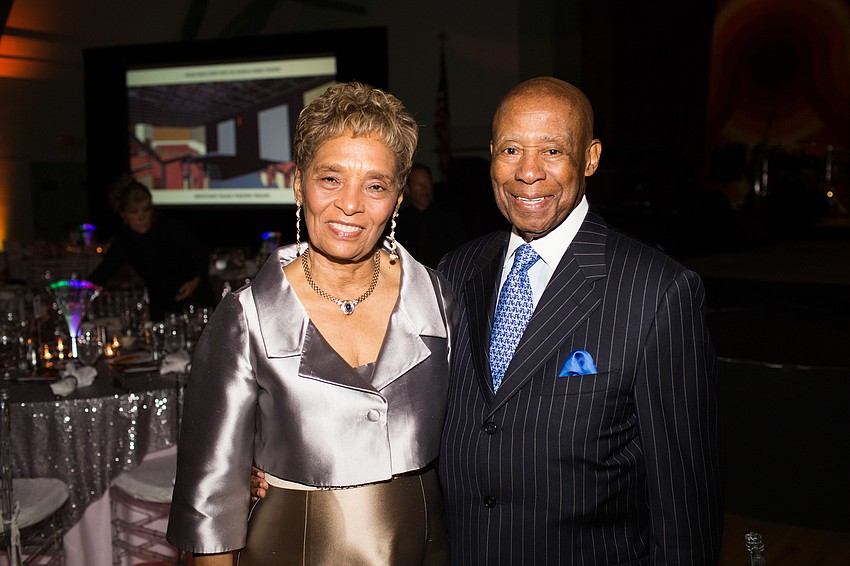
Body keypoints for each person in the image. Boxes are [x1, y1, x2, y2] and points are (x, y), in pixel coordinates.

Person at [166, 82, 456, 566]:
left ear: (398, 198)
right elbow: (210, 504)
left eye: (376, 185)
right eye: (331, 179)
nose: (350, 204)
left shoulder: (438, 299)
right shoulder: (248, 317)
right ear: (299, 184)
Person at [436, 77, 723, 564]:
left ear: (590, 158)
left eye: (551, 151)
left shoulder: (657, 291)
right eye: (510, 150)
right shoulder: (456, 270)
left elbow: (684, 499)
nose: (528, 172)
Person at [87, 177, 211, 319]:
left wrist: (195, 281)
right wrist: (77, 292)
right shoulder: (124, 242)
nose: (142, 217)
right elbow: (102, 273)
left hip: (196, 301)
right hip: (162, 308)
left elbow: (202, 252)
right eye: (134, 212)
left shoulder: (171, 228)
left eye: (146, 210)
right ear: (123, 215)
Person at [396, 163, 467, 268]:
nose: (425, 189)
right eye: (419, 185)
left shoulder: (449, 218)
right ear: (407, 189)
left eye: (428, 183)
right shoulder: (397, 221)